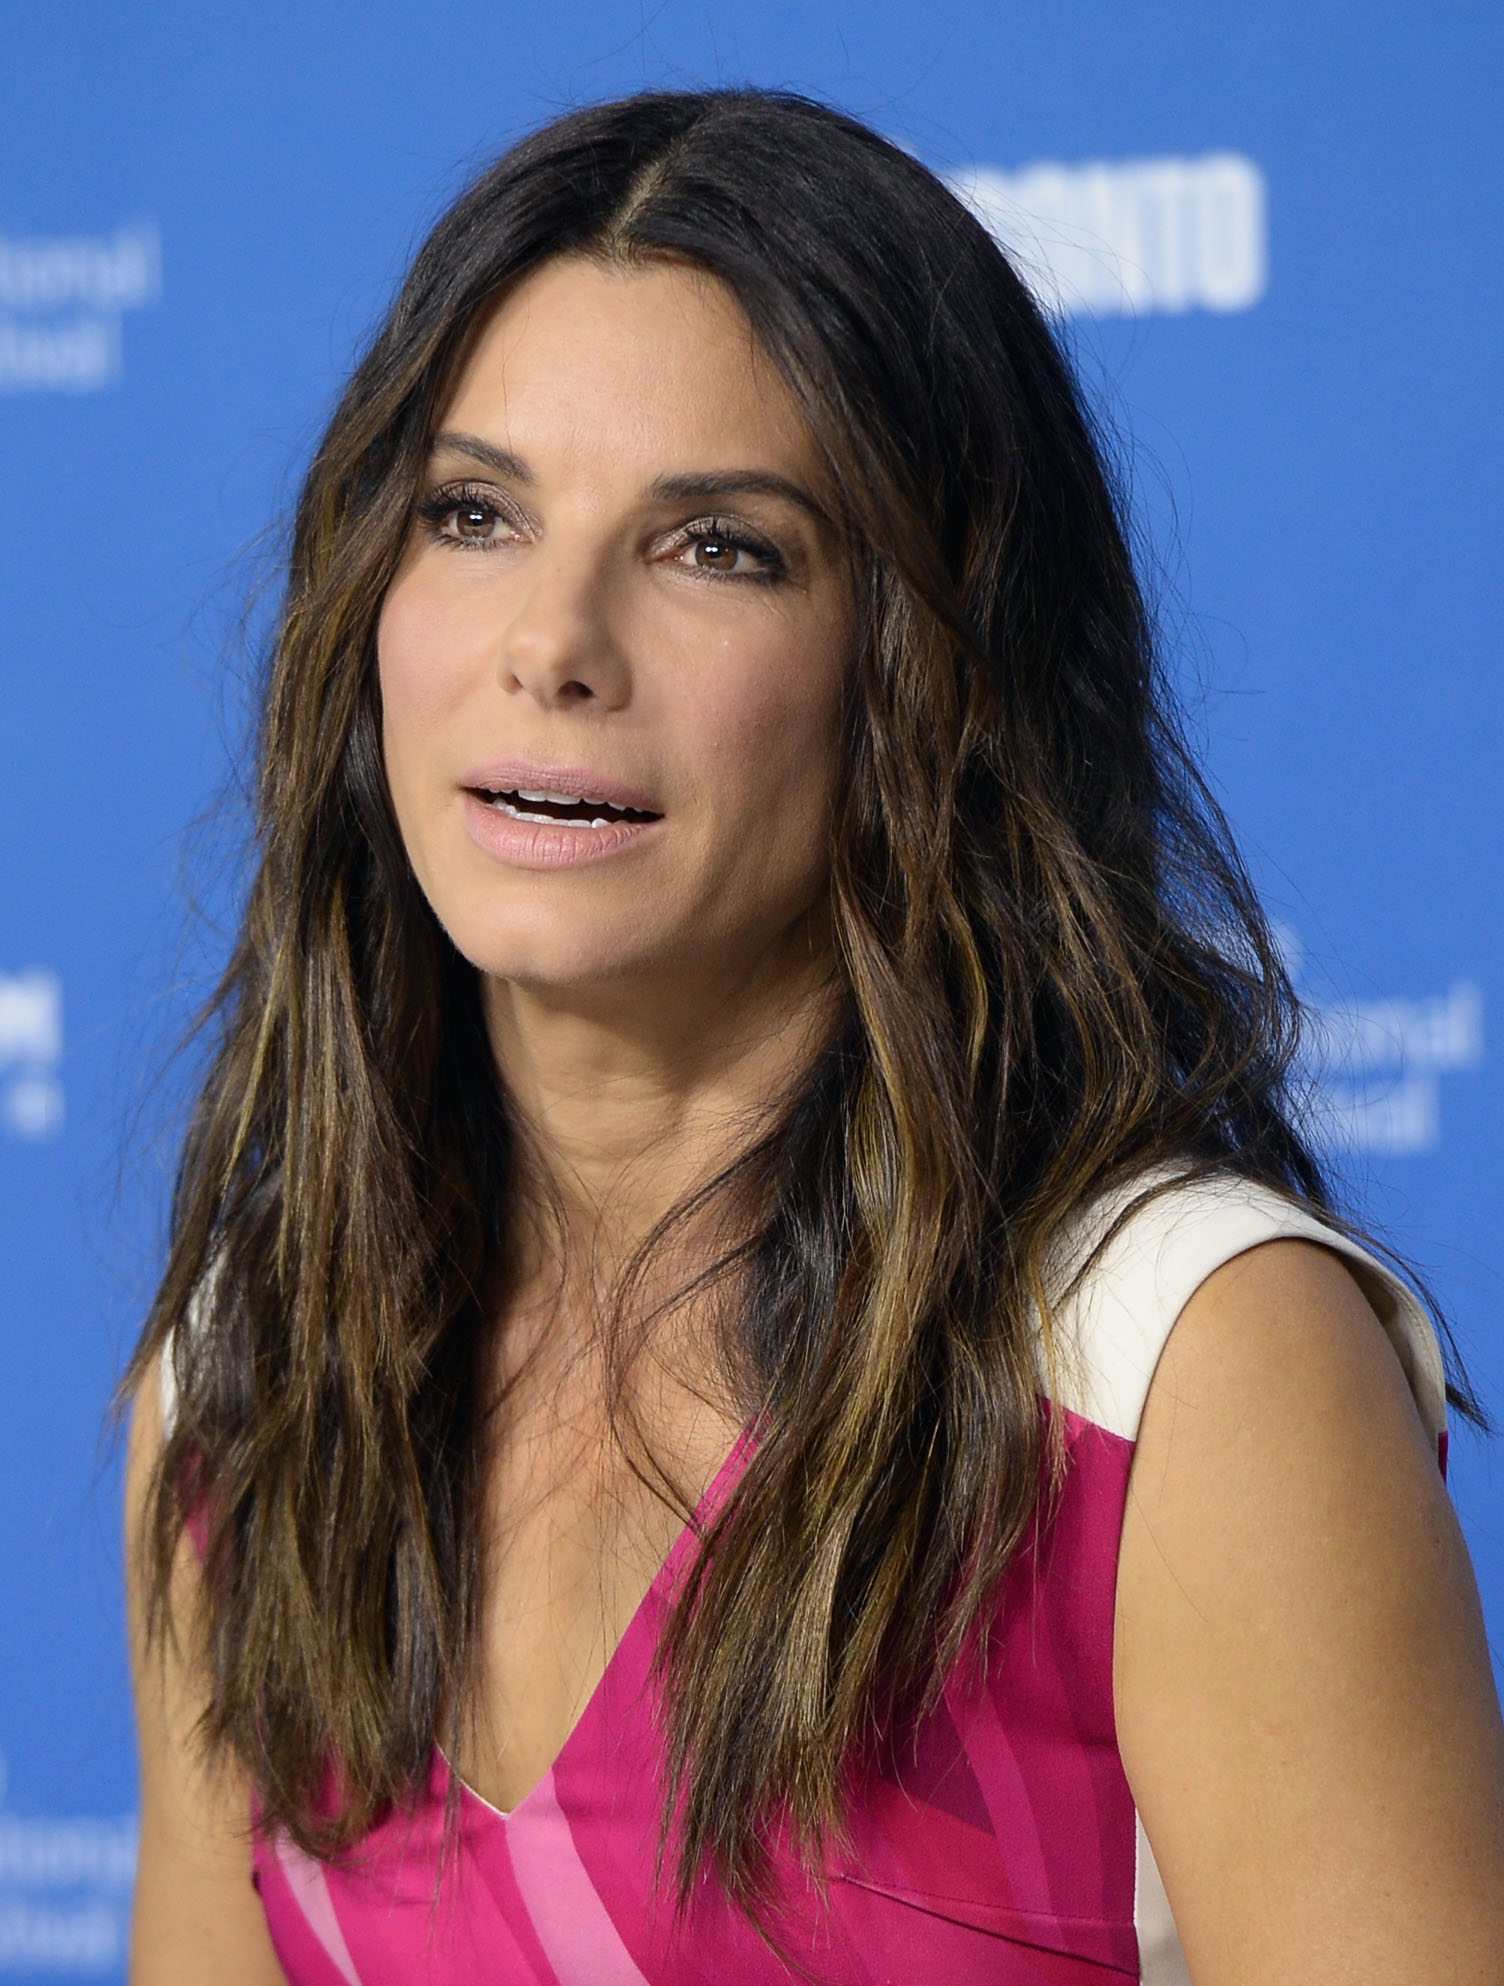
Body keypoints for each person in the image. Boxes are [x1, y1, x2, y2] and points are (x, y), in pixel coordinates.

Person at [121, 87, 1504, 1985]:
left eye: (720, 548)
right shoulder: (243, 1378)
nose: (555, 642)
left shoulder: (1178, 1368)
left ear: (924, 679)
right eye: (475, 512)